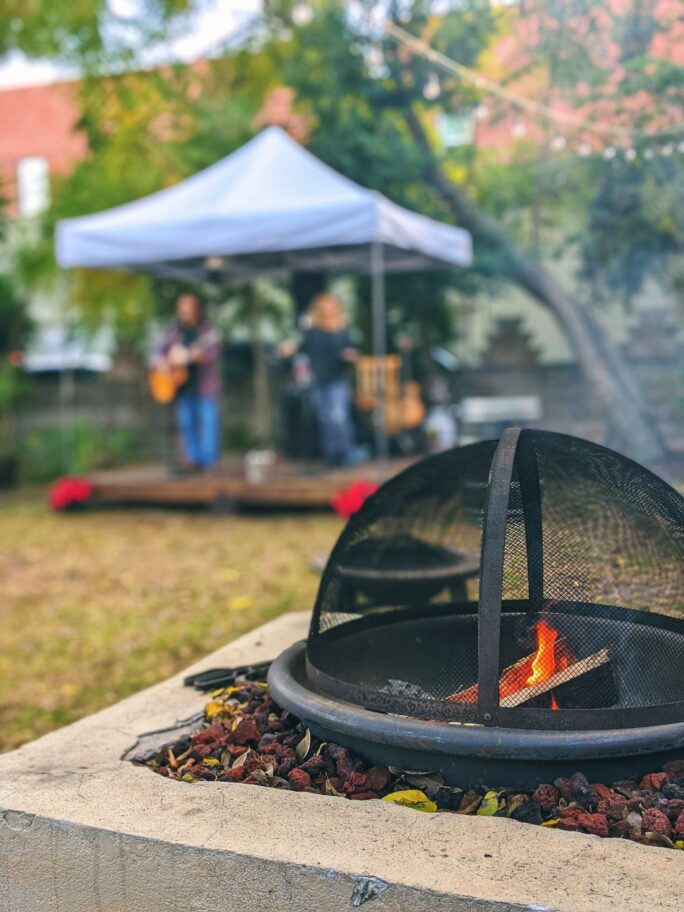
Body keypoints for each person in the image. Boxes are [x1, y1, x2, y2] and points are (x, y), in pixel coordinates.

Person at [281, 293, 358, 466]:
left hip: (337, 379)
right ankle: (332, 455)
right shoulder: (312, 332)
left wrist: (350, 356)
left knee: (338, 417)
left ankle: (346, 453)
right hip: (318, 380)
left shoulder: (342, 331)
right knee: (325, 419)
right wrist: (288, 349)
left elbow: (351, 351)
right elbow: (302, 347)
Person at [155, 293, 222, 471]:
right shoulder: (173, 332)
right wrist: (166, 362)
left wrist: (196, 356)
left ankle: (209, 463)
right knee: (186, 423)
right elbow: (157, 354)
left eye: (190, 309)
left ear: (197, 309)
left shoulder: (207, 332)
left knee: (209, 422)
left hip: (204, 385)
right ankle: (193, 459)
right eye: (183, 309)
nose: (187, 313)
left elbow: (212, 353)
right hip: (181, 385)